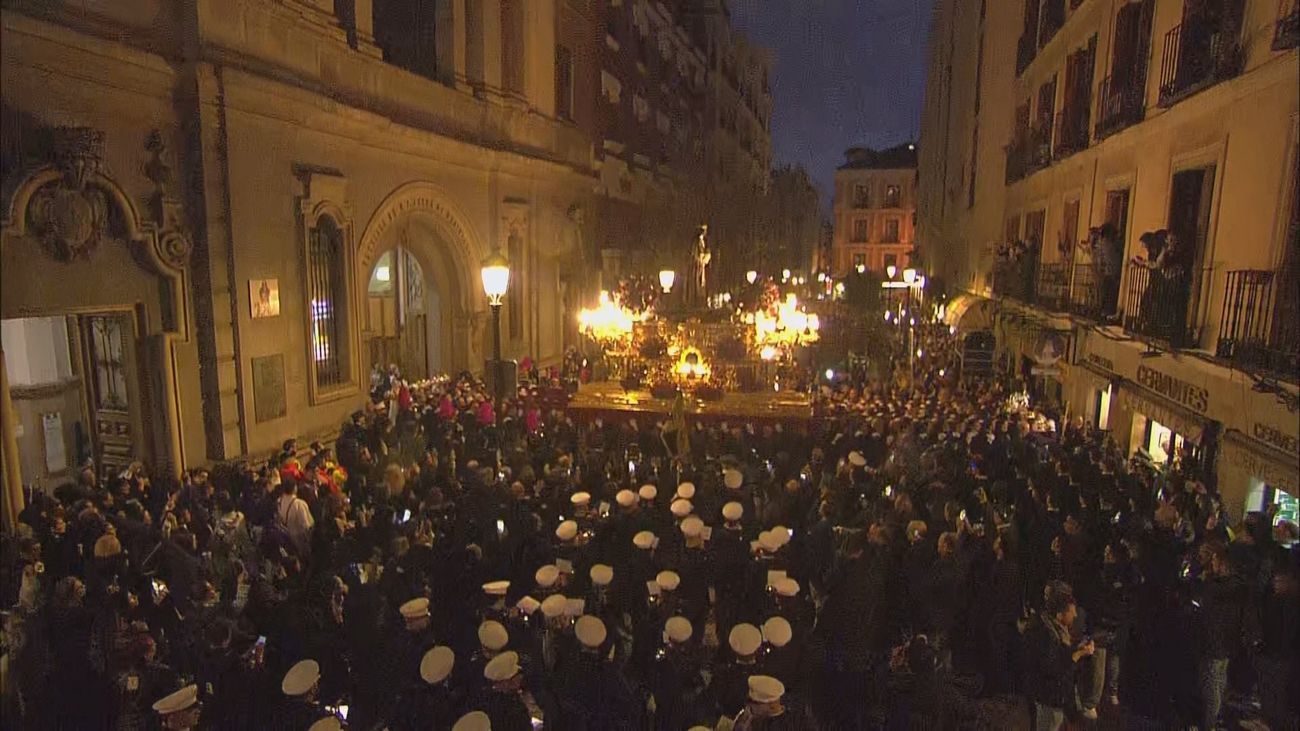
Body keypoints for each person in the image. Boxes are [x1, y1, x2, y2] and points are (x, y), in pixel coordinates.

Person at [1025, 586, 1095, 731]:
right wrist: (1079, 654)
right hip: (1049, 699)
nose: (1075, 615)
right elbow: (1054, 670)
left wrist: (1077, 647)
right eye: (1071, 611)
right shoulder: (1047, 635)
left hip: (1051, 697)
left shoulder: (1053, 629)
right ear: (1059, 614)